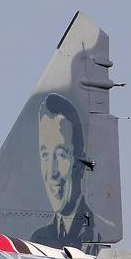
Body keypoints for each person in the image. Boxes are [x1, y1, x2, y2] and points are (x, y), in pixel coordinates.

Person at [30, 94, 90, 248]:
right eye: (45, 154)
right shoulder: (38, 240)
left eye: (61, 155)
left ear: (81, 165)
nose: (52, 173)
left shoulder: (95, 236)